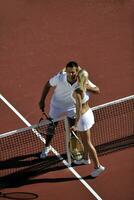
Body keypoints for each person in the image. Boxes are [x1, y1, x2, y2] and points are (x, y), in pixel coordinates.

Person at [39, 61, 100, 159]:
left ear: (77, 72)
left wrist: (85, 86)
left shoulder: (82, 80)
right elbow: (47, 85)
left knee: (72, 129)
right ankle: (47, 147)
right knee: (51, 127)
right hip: (57, 106)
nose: (70, 74)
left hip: (72, 106)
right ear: (66, 71)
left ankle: (74, 149)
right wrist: (42, 100)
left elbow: (97, 90)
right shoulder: (59, 78)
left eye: (73, 72)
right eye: (68, 72)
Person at [71, 69, 105, 177]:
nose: (75, 74)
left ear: (79, 77)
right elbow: (96, 90)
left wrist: (75, 124)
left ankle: (98, 167)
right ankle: (85, 159)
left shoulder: (77, 91)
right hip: (88, 113)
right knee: (84, 140)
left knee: (88, 143)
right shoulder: (86, 84)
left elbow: (79, 108)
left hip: (83, 118)